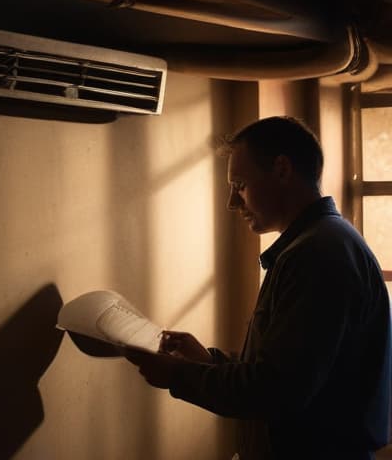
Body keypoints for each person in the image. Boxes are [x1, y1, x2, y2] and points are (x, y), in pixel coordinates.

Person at [126, 116, 391, 460]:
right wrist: (208, 362)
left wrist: (179, 374)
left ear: (282, 169)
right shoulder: (319, 244)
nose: (232, 203)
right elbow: (285, 370)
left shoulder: (318, 254)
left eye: (239, 184)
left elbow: (278, 391)